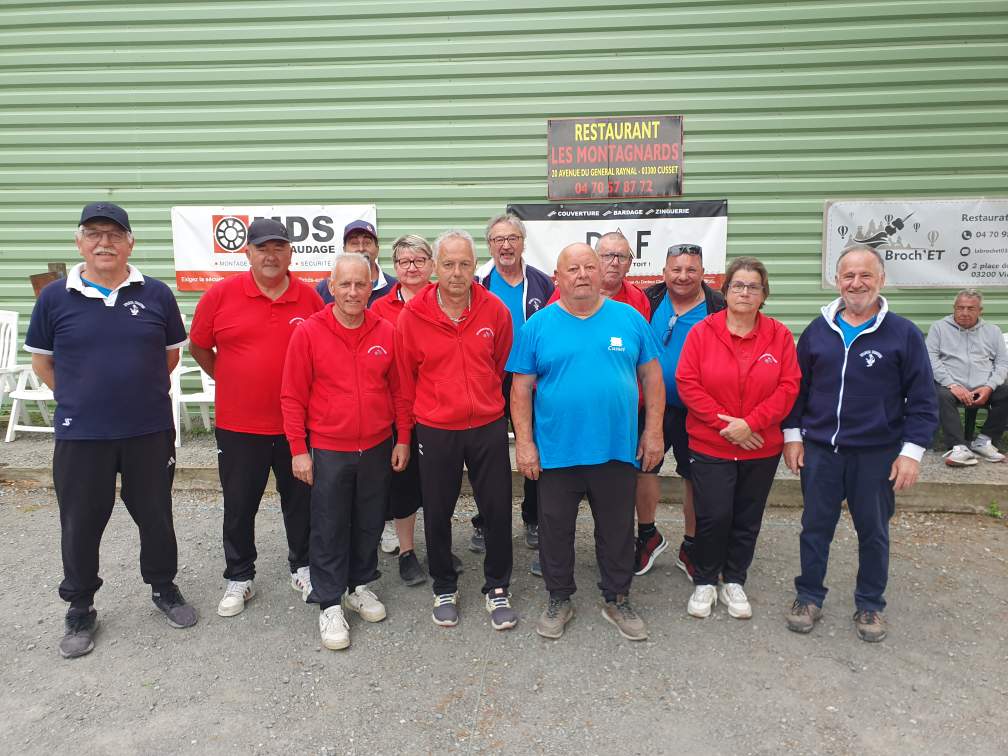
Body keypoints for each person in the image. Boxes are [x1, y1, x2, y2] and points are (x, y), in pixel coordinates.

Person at [25, 202, 196, 659]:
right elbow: (42, 361)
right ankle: (80, 606)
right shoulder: (55, 298)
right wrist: (81, 399)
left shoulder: (156, 294)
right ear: (79, 242)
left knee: (156, 515)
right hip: (82, 435)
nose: (105, 242)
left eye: (114, 235)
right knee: (80, 523)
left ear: (130, 242)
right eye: (95, 234)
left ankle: (163, 587)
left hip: (147, 430)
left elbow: (170, 356)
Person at [509, 242, 665, 641]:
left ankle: (617, 597)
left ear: (602, 273)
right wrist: (524, 444)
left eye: (589, 267)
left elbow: (652, 379)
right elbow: (520, 390)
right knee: (554, 529)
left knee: (616, 529)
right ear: (557, 279)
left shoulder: (629, 319)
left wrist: (653, 431)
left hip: (615, 448)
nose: (582, 274)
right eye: (572, 269)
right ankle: (559, 598)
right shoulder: (537, 327)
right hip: (557, 451)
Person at [783, 247, 937, 643]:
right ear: (838, 281)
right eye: (848, 275)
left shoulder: (903, 334)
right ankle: (809, 596)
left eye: (865, 275)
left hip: (876, 454)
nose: (856, 283)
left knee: (873, 531)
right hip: (821, 451)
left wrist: (911, 453)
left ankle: (870, 603)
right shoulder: (818, 331)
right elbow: (797, 390)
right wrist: (793, 437)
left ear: (881, 279)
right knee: (815, 528)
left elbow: (922, 400)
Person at [189, 218, 323, 617]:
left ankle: (302, 566)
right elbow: (199, 347)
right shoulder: (220, 295)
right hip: (239, 426)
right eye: (262, 247)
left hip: (296, 426)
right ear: (247, 252)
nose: (271, 255)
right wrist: (229, 378)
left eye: (279, 247)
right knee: (239, 503)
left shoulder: (309, 298)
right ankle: (240, 575)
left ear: (290, 253)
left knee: (300, 501)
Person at [281, 254, 411, 650]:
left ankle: (359, 585)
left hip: (375, 445)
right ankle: (329, 603)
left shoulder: (386, 331)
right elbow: (292, 396)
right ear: (331, 287)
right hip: (328, 448)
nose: (354, 292)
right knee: (329, 525)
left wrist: (402, 437)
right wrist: (298, 450)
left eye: (361, 284)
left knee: (370, 521)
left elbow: (400, 391)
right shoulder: (309, 332)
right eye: (346, 285)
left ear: (371, 285)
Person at [395, 229, 518, 630]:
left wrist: (482, 401)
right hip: (435, 428)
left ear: (474, 266)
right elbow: (405, 378)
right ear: (434, 267)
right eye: (448, 264)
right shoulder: (412, 317)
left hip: (486, 425)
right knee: (437, 509)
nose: (456, 272)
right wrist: (408, 431)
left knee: (498, 508)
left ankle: (498, 587)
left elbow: (499, 366)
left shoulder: (495, 310)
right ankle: (444, 585)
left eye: (465, 264)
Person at [676, 257, 800, 619]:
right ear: (725, 291)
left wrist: (752, 424)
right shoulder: (703, 332)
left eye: (753, 287)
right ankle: (704, 580)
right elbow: (688, 382)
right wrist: (728, 426)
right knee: (713, 515)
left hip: (760, 446)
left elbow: (789, 386)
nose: (745, 292)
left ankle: (734, 580)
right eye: (738, 285)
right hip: (711, 443)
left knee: (747, 516)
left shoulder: (778, 335)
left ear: (764, 294)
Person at [636, 244, 726, 578]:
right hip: (650, 406)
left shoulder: (718, 307)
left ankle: (691, 544)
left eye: (691, 270)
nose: (683, 276)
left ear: (703, 273)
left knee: (695, 478)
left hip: (698, 410)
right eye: (676, 269)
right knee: (643, 469)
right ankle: (647, 535)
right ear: (664, 272)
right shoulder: (649, 300)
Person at [472, 213, 555, 564]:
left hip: (532, 380)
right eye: (497, 240)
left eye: (512, 239)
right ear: (489, 245)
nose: (505, 246)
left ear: (522, 242)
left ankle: (533, 517)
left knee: (534, 447)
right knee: (484, 454)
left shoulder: (542, 284)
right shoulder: (478, 283)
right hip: (488, 378)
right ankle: (483, 521)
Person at [371, 234, 439, 585]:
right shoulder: (380, 308)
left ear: (431, 264)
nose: (411, 268)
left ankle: (439, 548)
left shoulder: (448, 300)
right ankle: (407, 551)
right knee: (404, 483)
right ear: (394, 268)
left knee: (439, 485)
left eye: (418, 260)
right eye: (403, 262)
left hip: (440, 409)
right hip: (399, 410)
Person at [926, 289, 1008, 466]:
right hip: (950, 386)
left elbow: (1002, 364)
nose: (964, 313)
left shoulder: (993, 331)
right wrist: (952, 384)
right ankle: (959, 447)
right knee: (939, 394)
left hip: (983, 387)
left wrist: (989, 387)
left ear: (980, 311)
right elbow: (930, 359)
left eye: (971, 308)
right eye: (960, 308)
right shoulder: (939, 328)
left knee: (1006, 392)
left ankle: (984, 441)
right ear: (954, 308)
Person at [545, 231, 651, 318]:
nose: (615, 263)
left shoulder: (637, 298)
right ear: (595, 260)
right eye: (608, 256)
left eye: (622, 257)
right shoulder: (568, 291)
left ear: (629, 264)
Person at [315, 220, 397, 307]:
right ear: (344, 250)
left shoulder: (394, 287)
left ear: (377, 249)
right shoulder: (324, 289)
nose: (361, 248)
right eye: (354, 243)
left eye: (367, 243)